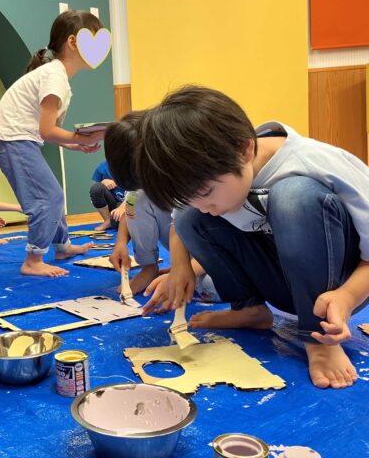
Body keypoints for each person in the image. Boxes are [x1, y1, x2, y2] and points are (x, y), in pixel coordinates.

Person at [134, 85, 369, 390]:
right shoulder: (215, 178)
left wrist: (348, 296)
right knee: (191, 218)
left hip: (341, 289)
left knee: (292, 196)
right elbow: (181, 219)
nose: (205, 206)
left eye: (207, 193)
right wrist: (180, 267)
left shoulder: (315, 162)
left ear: (244, 150)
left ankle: (318, 338)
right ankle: (249, 309)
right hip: (285, 286)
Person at [0, 10, 106, 277]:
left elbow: (48, 131)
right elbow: (48, 130)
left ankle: (62, 246)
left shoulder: (56, 75)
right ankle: (33, 259)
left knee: (52, 194)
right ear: (73, 42)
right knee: (48, 197)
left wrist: (75, 144)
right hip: (15, 139)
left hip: (21, 139)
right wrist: (81, 138)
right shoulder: (54, 76)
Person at [105, 112, 211, 298]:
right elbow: (131, 207)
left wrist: (184, 270)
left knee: (210, 287)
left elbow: (225, 244)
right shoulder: (152, 178)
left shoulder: (196, 179)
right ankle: (149, 268)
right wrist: (120, 242)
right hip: (188, 248)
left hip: (218, 255)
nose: (147, 188)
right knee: (136, 198)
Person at [89, 161, 126, 230]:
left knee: (119, 225)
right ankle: (107, 221)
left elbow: (137, 193)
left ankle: (114, 221)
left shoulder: (133, 166)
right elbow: (94, 192)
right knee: (97, 188)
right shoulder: (102, 167)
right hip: (113, 203)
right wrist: (102, 183)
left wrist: (122, 207)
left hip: (129, 204)